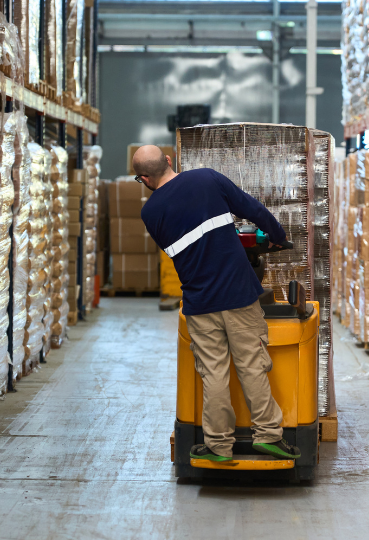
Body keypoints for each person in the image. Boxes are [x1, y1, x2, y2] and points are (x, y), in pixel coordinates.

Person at [131, 144, 301, 463]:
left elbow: (184, 248)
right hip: (238, 293)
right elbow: (253, 209)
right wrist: (277, 235)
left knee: (213, 374)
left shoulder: (149, 212)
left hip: (199, 301)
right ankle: (268, 436)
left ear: (144, 178)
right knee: (252, 365)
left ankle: (218, 446)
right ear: (168, 161)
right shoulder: (207, 178)